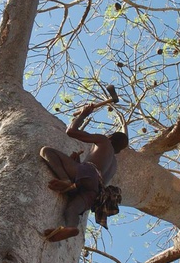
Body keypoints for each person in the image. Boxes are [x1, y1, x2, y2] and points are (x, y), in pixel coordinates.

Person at [40, 102, 128, 242]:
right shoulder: (114, 165)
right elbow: (94, 179)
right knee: (72, 210)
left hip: (87, 172)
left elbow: (71, 132)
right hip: (95, 191)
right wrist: (76, 164)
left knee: (46, 151)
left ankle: (66, 181)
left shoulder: (104, 141)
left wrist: (83, 114)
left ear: (110, 137)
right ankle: (71, 227)